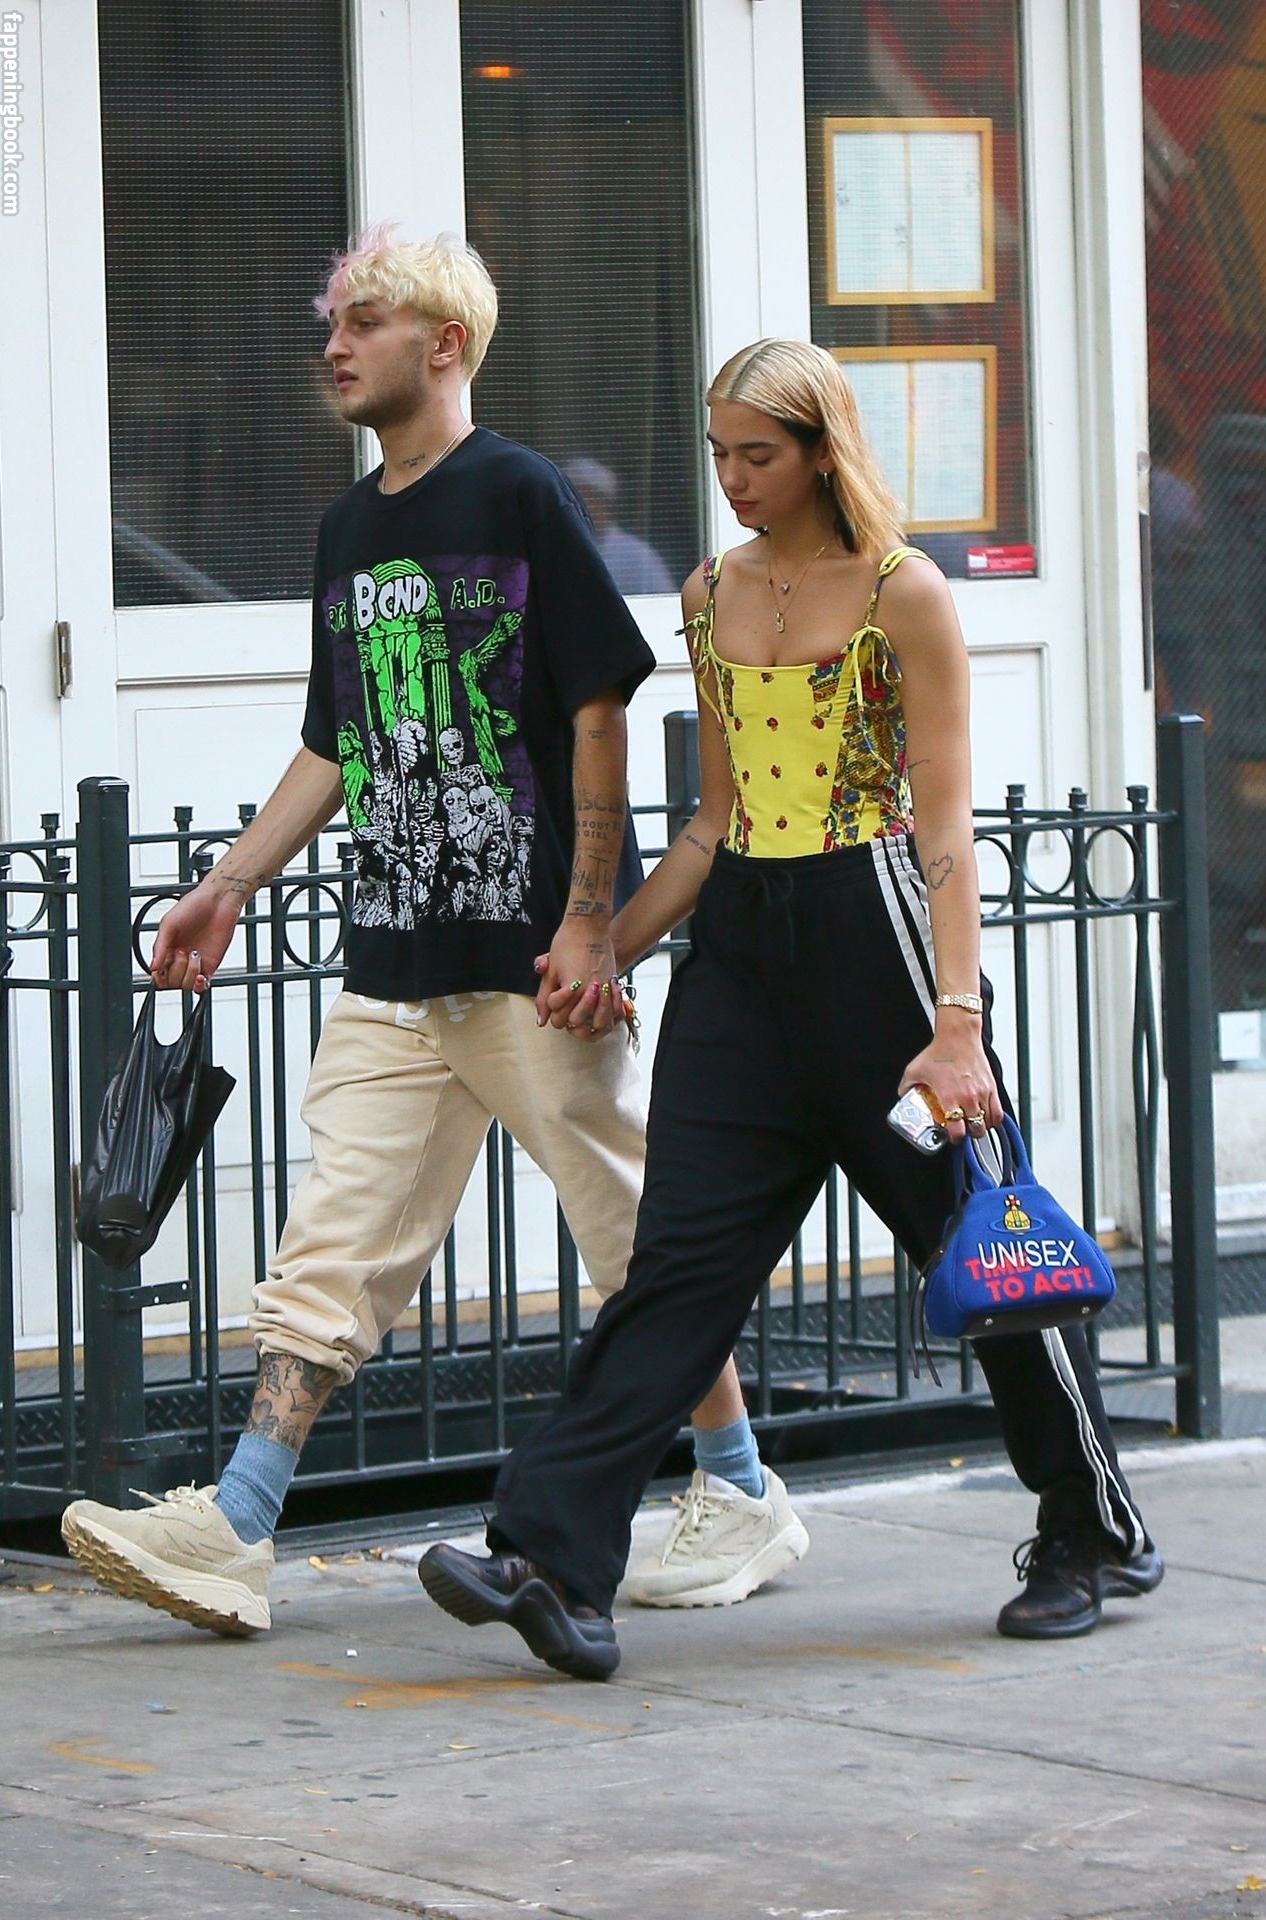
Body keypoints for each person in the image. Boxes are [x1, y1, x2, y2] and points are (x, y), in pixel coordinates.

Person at [61, 235, 806, 1634]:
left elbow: (597, 708)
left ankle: (739, 1486)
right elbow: (335, 742)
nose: (333, 345)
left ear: (445, 342)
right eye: (331, 322)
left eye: (364, 320)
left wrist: (588, 921)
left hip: (530, 961)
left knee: (628, 1231)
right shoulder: (349, 529)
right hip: (395, 953)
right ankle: (237, 1524)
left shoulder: (518, 494)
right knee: (332, 1242)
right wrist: (229, 884)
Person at [418, 338, 1165, 1679]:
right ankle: (551, 1560)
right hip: (742, 959)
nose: (733, 479)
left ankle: (1090, 1528)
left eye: (757, 455)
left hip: (884, 951)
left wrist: (955, 1022)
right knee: (677, 1268)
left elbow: (942, 822)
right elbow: (711, 822)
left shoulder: (901, 591)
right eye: (718, 454)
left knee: (988, 1251)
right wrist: (606, 950)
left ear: (823, 451)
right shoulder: (707, 593)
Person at [565, 456, 674, 596]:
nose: (580, 507)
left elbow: (663, 599)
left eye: (588, 498)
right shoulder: (555, 549)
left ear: (606, 504)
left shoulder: (637, 556)